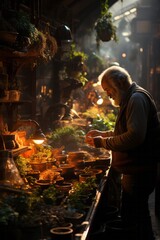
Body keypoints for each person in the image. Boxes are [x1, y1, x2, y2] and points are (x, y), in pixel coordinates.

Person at [85, 66, 160, 240]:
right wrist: (103, 134)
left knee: (135, 218)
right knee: (138, 217)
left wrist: (102, 142)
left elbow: (135, 137)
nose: (108, 94)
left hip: (139, 172)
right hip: (136, 171)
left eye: (108, 89)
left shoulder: (136, 99)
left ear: (119, 83)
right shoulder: (131, 98)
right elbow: (126, 131)